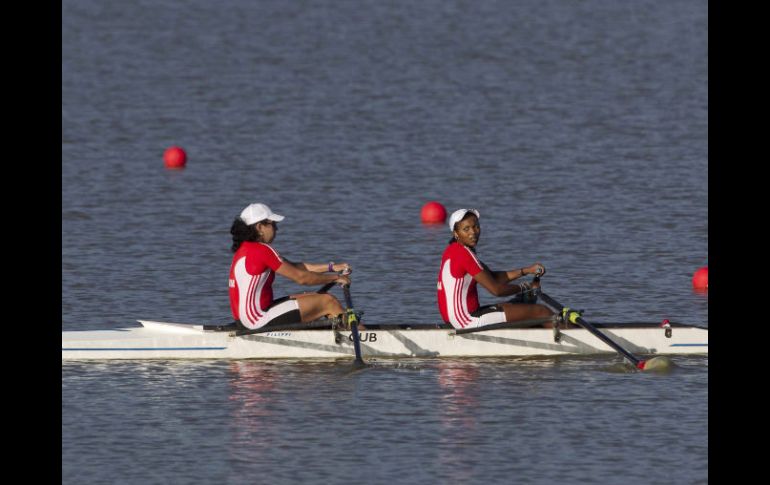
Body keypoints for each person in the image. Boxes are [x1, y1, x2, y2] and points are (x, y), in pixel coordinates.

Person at [229, 202, 352, 331]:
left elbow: (296, 267)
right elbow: (302, 278)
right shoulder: (262, 250)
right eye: (273, 224)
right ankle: (362, 337)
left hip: (246, 320)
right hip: (257, 320)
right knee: (327, 301)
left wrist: (331, 268)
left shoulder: (245, 250)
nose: (277, 229)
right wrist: (336, 278)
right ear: (260, 227)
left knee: (312, 296)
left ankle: (341, 332)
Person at [437, 208, 556, 329]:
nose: (473, 232)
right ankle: (571, 336)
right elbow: (497, 290)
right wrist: (526, 287)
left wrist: (526, 271)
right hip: (467, 320)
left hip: (458, 319)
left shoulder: (452, 250)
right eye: (466, 229)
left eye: (476, 226)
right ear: (456, 233)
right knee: (541, 311)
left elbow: (494, 278)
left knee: (518, 304)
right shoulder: (464, 254)